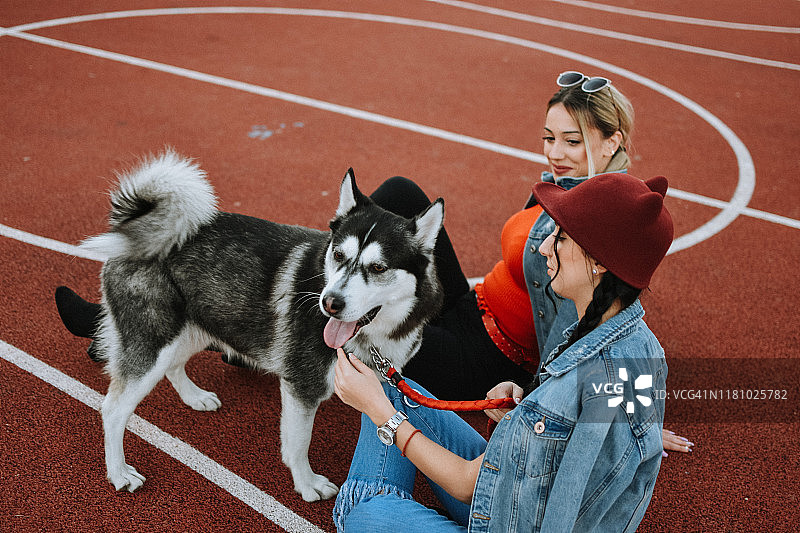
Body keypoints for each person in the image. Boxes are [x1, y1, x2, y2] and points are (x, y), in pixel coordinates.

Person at [53, 71, 692, 454]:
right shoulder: (571, 189)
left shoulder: (606, 230)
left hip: (486, 359)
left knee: (369, 349)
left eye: (572, 142)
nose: (553, 153)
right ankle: (298, 292)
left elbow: (609, 323)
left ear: (613, 145)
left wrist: (631, 414)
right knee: (403, 194)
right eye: (548, 137)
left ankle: (242, 324)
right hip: (470, 308)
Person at [333, 171, 673, 532]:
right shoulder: (641, 347)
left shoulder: (588, 375)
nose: (543, 247)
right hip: (520, 503)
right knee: (393, 388)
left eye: (560, 237)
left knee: (360, 510)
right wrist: (525, 413)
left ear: (600, 262)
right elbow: (585, 456)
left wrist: (381, 415)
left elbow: (466, 484)